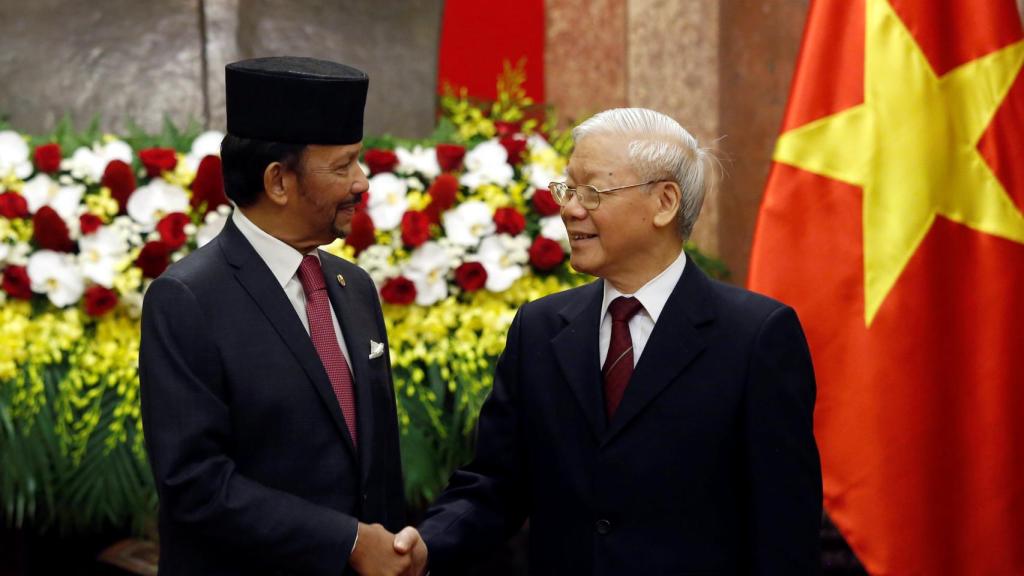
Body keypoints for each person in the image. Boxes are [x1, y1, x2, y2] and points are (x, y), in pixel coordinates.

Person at [412, 108, 823, 574]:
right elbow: (496, 482)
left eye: (592, 191)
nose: (569, 208)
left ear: (665, 202)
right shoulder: (541, 329)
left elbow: (784, 529)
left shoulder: (755, 337)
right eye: (567, 188)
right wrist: (423, 548)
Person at [140, 56, 425, 576]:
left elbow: (374, 462)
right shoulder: (187, 298)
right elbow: (195, 485)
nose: (362, 183)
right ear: (277, 181)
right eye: (343, 166)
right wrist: (350, 543)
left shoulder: (353, 286)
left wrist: (392, 550)